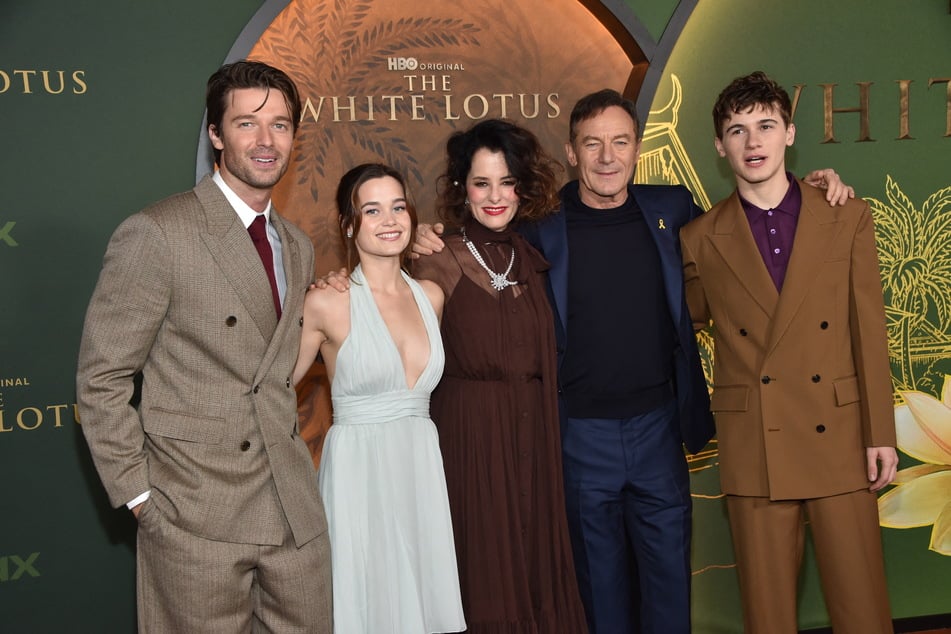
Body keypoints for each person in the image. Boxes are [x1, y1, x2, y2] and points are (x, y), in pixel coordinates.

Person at [414, 90, 855, 634]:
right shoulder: (538, 225)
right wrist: (422, 235)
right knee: (599, 592)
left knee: (669, 581)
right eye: (592, 144)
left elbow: (749, 226)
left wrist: (813, 189)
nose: (607, 157)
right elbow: (476, 242)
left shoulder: (672, 209)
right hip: (577, 433)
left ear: (637, 149)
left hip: (658, 430)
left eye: (620, 142)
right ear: (572, 153)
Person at [76, 60, 331, 632]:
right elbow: (101, 380)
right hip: (194, 512)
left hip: (293, 509)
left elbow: (277, 370)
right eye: (247, 124)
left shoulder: (296, 243)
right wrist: (141, 498)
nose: (267, 142)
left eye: (282, 125)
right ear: (215, 135)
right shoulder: (158, 232)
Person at [680, 71, 897, 633]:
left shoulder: (846, 213)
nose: (753, 142)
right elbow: (682, 316)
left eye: (765, 126)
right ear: (719, 145)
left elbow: (867, 331)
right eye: (737, 130)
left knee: (863, 611)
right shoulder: (698, 238)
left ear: (790, 133)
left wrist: (881, 434)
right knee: (768, 617)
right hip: (757, 444)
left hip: (841, 438)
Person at [409, 119, 587, 632]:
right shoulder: (438, 256)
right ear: (462, 188)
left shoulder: (529, 255)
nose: (495, 196)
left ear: (522, 187)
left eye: (506, 182)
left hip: (534, 431)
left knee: (535, 560)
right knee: (482, 562)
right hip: (471, 436)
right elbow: (405, 330)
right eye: (482, 182)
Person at [293, 163, 465, 634]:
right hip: (357, 474)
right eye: (373, 210)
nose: (389, 220)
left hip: (420, 468)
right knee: (363, 602)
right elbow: (273, 389)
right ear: (350, 226)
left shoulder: (431, 296)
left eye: (397, 207)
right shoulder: (327, 302)